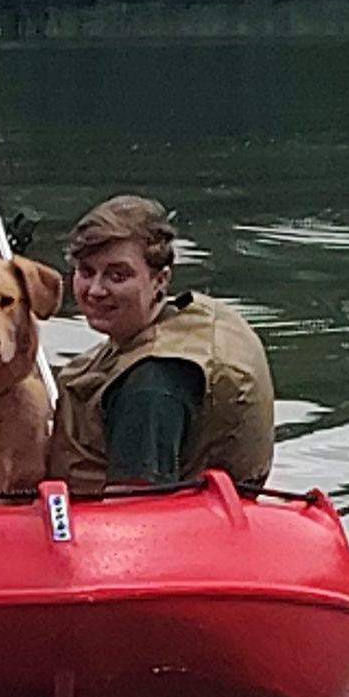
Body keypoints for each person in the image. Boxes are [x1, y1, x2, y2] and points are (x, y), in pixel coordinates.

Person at [48, 194, 275, 496]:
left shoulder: (150, 387)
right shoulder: (197, 319)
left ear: (160, 280)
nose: (96, 290)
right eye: (86, 272)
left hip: (149, 518)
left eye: (118, 276)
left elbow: (134, 509)